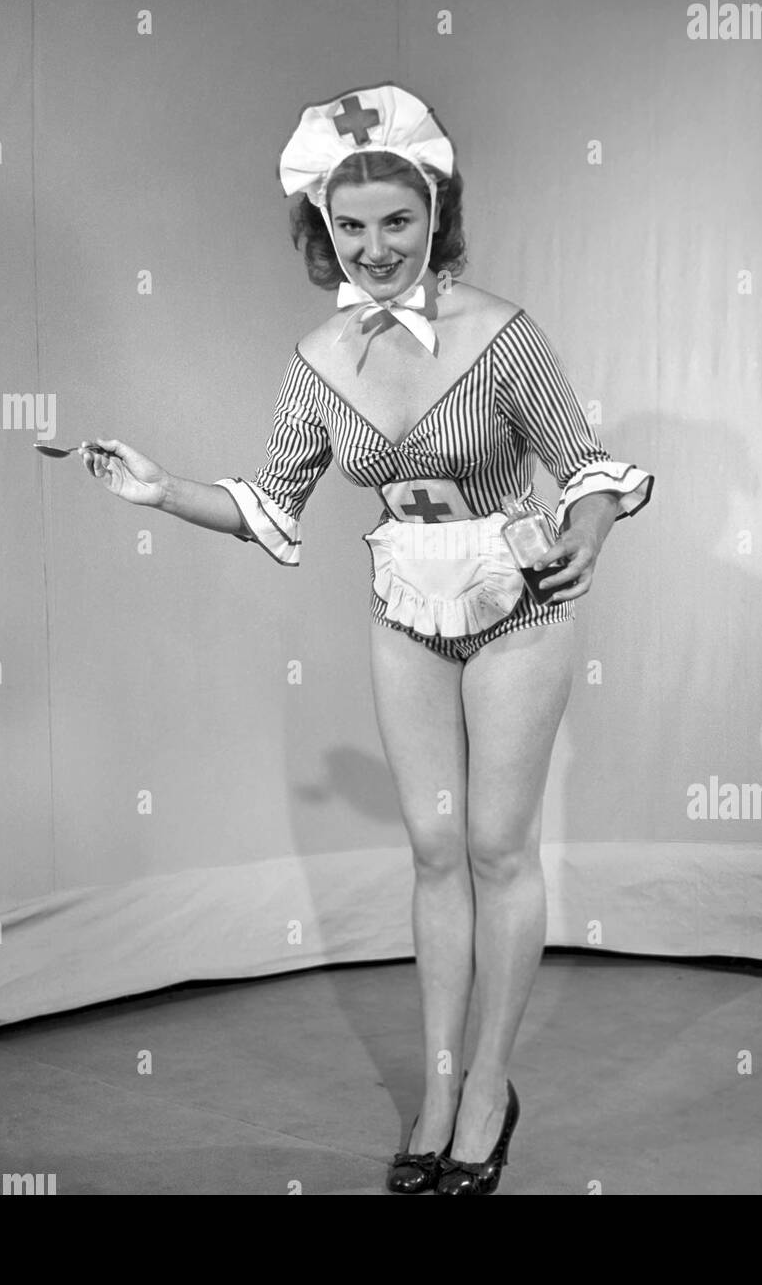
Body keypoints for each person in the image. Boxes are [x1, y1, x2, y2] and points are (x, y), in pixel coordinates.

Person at [82, 83, 654, 1195]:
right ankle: (438, 1090)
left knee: (496, 847)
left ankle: (487, 1090)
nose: (375, 246)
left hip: (518, 604)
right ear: (321, 229)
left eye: (397, 220)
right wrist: (160, 490)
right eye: (350, 226)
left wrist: (587, 533)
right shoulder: (316, 360)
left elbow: (587, 464)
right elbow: (269, 503)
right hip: (406, 611)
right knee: (435, 852)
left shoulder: (502, 334)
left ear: (436, 215)